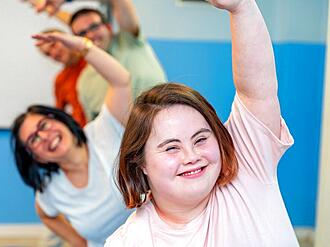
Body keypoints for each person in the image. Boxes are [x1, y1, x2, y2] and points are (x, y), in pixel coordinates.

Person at [106, 0, 300, 246]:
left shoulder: (248, 167)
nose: (192, 156)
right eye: (171, 147)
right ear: (140, 162)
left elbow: (255, 93)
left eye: (200, 139)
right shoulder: (129, 241)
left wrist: (241, 7)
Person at [11, 31, 133, 247]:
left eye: (44, 125)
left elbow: (121, 81)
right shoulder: (49, 188)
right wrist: (79, 243)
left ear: (59, 119)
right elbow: (45, 214)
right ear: (35, 156)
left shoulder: (104, 129)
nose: (45, 137)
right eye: (33, 140)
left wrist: (82, 46)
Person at [27, 0, 167, 121]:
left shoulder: (129, 41)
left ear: (108, 27)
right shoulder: (84, 82)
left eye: (94, 27)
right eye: (82, 33)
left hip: (168, 122)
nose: (90, 35)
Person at [37, 28, 88, 127]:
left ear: (66, 39)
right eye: (48, 54)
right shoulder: (60, 80)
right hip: (85, 132)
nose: (54, 54)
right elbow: (60, 115)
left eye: (53, 45)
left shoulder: (93, 59)